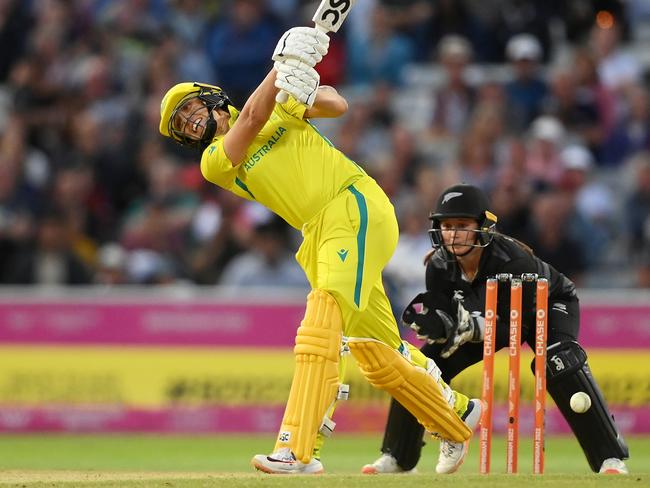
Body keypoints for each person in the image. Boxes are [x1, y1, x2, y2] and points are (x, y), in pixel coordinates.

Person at [158, 26, 479, 475]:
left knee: (322, 316)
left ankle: (298, 449)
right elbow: (250, 119)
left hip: (352, 204)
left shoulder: (279, 108)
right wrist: (281, 66)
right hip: (319, 233)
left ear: (210, 98)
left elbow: (337, 105)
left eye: (190, 109)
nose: (190, 121)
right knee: (375, 352)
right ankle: (457, 417)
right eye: (181, 124)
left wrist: (305, 86)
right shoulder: (214, 161)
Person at [362, 183, 630, 475]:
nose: (453, 233)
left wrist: (472, 326)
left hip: (548, 305)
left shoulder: (514, 261)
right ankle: (399, 457)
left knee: (558, 362)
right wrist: (439, 326)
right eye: (447, 225)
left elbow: (516, 331)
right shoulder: (438, 266)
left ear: (483, 227)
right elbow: (444, 316)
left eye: (462, 225)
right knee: (419, 365)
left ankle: (610, 458)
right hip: (489, 322)